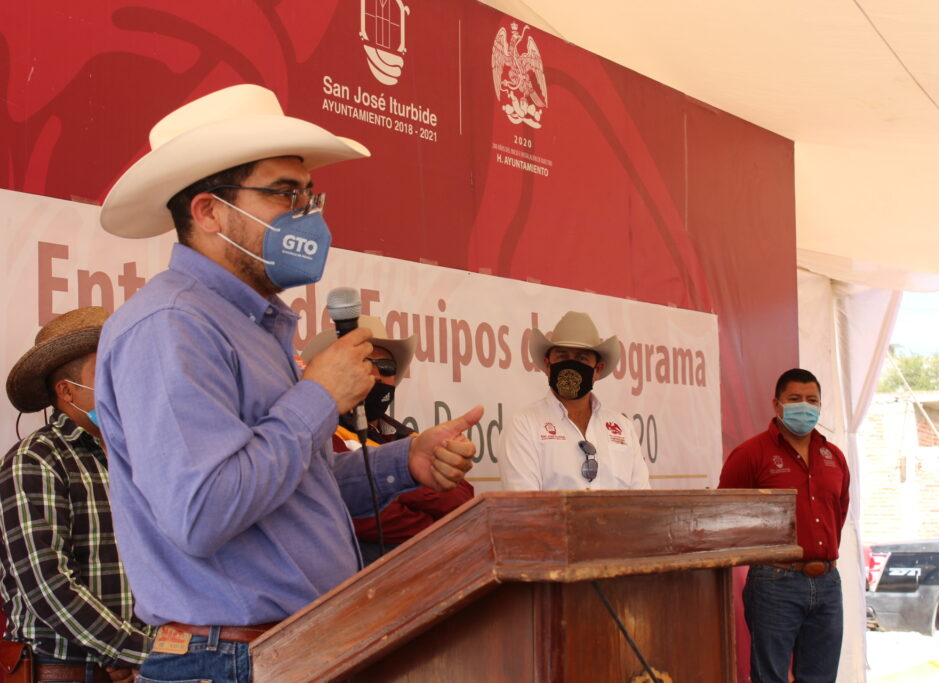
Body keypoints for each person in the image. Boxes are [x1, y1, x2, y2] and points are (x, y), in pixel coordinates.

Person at [94, 84, 482, 683]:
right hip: (227, 662)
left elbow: (291, 487)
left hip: (291, 649)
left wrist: (407, 462)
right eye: (283, 193)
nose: (308, 213)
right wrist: (319, 396)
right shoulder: (171, 326)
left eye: (309, 194)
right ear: (209, 212)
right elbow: (203, 512)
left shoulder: (253, 322)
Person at [1, 307, 150, 683]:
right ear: (67, 392)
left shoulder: (144, 457)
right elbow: (48, 584)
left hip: (144, 668)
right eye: (109, 370)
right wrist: (133, 650)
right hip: (63, 670)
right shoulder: (35, 460)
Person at [303, 316, 474, 562]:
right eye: (362, 362)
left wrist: (400, 489)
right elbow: (356, 516)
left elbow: (462, 497)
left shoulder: (407, 435)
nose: (375, 375)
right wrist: (436, 524)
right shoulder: (320, 432)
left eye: (386, 368)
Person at [717, 368, 850, 683]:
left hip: (829, 582)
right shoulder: (751, 454)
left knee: (820, 677)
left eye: (812, 400)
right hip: (775, 581)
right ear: (776, 405)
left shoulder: (834, 456)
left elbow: (839, 513)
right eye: (795, 399)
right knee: (770, 677)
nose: (804, 406)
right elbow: (724, 513)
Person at [497, 311, 650, 490]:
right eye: (562, 356)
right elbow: (525, 508)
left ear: (598, 370)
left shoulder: (623, 427)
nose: (571, 365)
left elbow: (642, 502)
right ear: (548, 365)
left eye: (581, 358)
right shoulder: (524, 425)